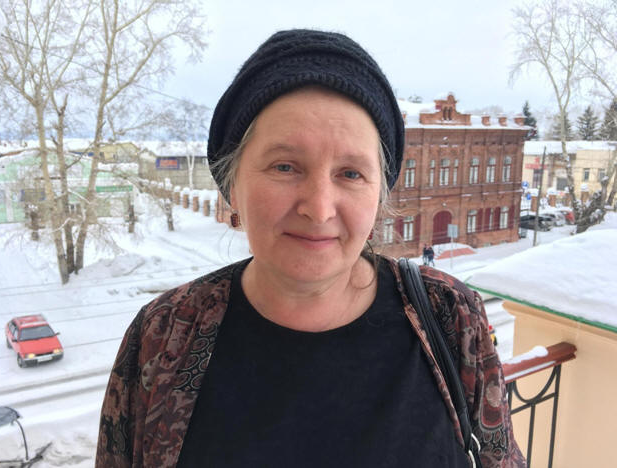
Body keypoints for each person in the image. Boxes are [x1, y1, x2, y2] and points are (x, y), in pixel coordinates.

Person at [96, 29, 525, 468]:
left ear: (379, 197)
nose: (318, 209)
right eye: (285, 166)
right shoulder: (163, 336)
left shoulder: (451, 318)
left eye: (351, 173)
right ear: (232, 187)